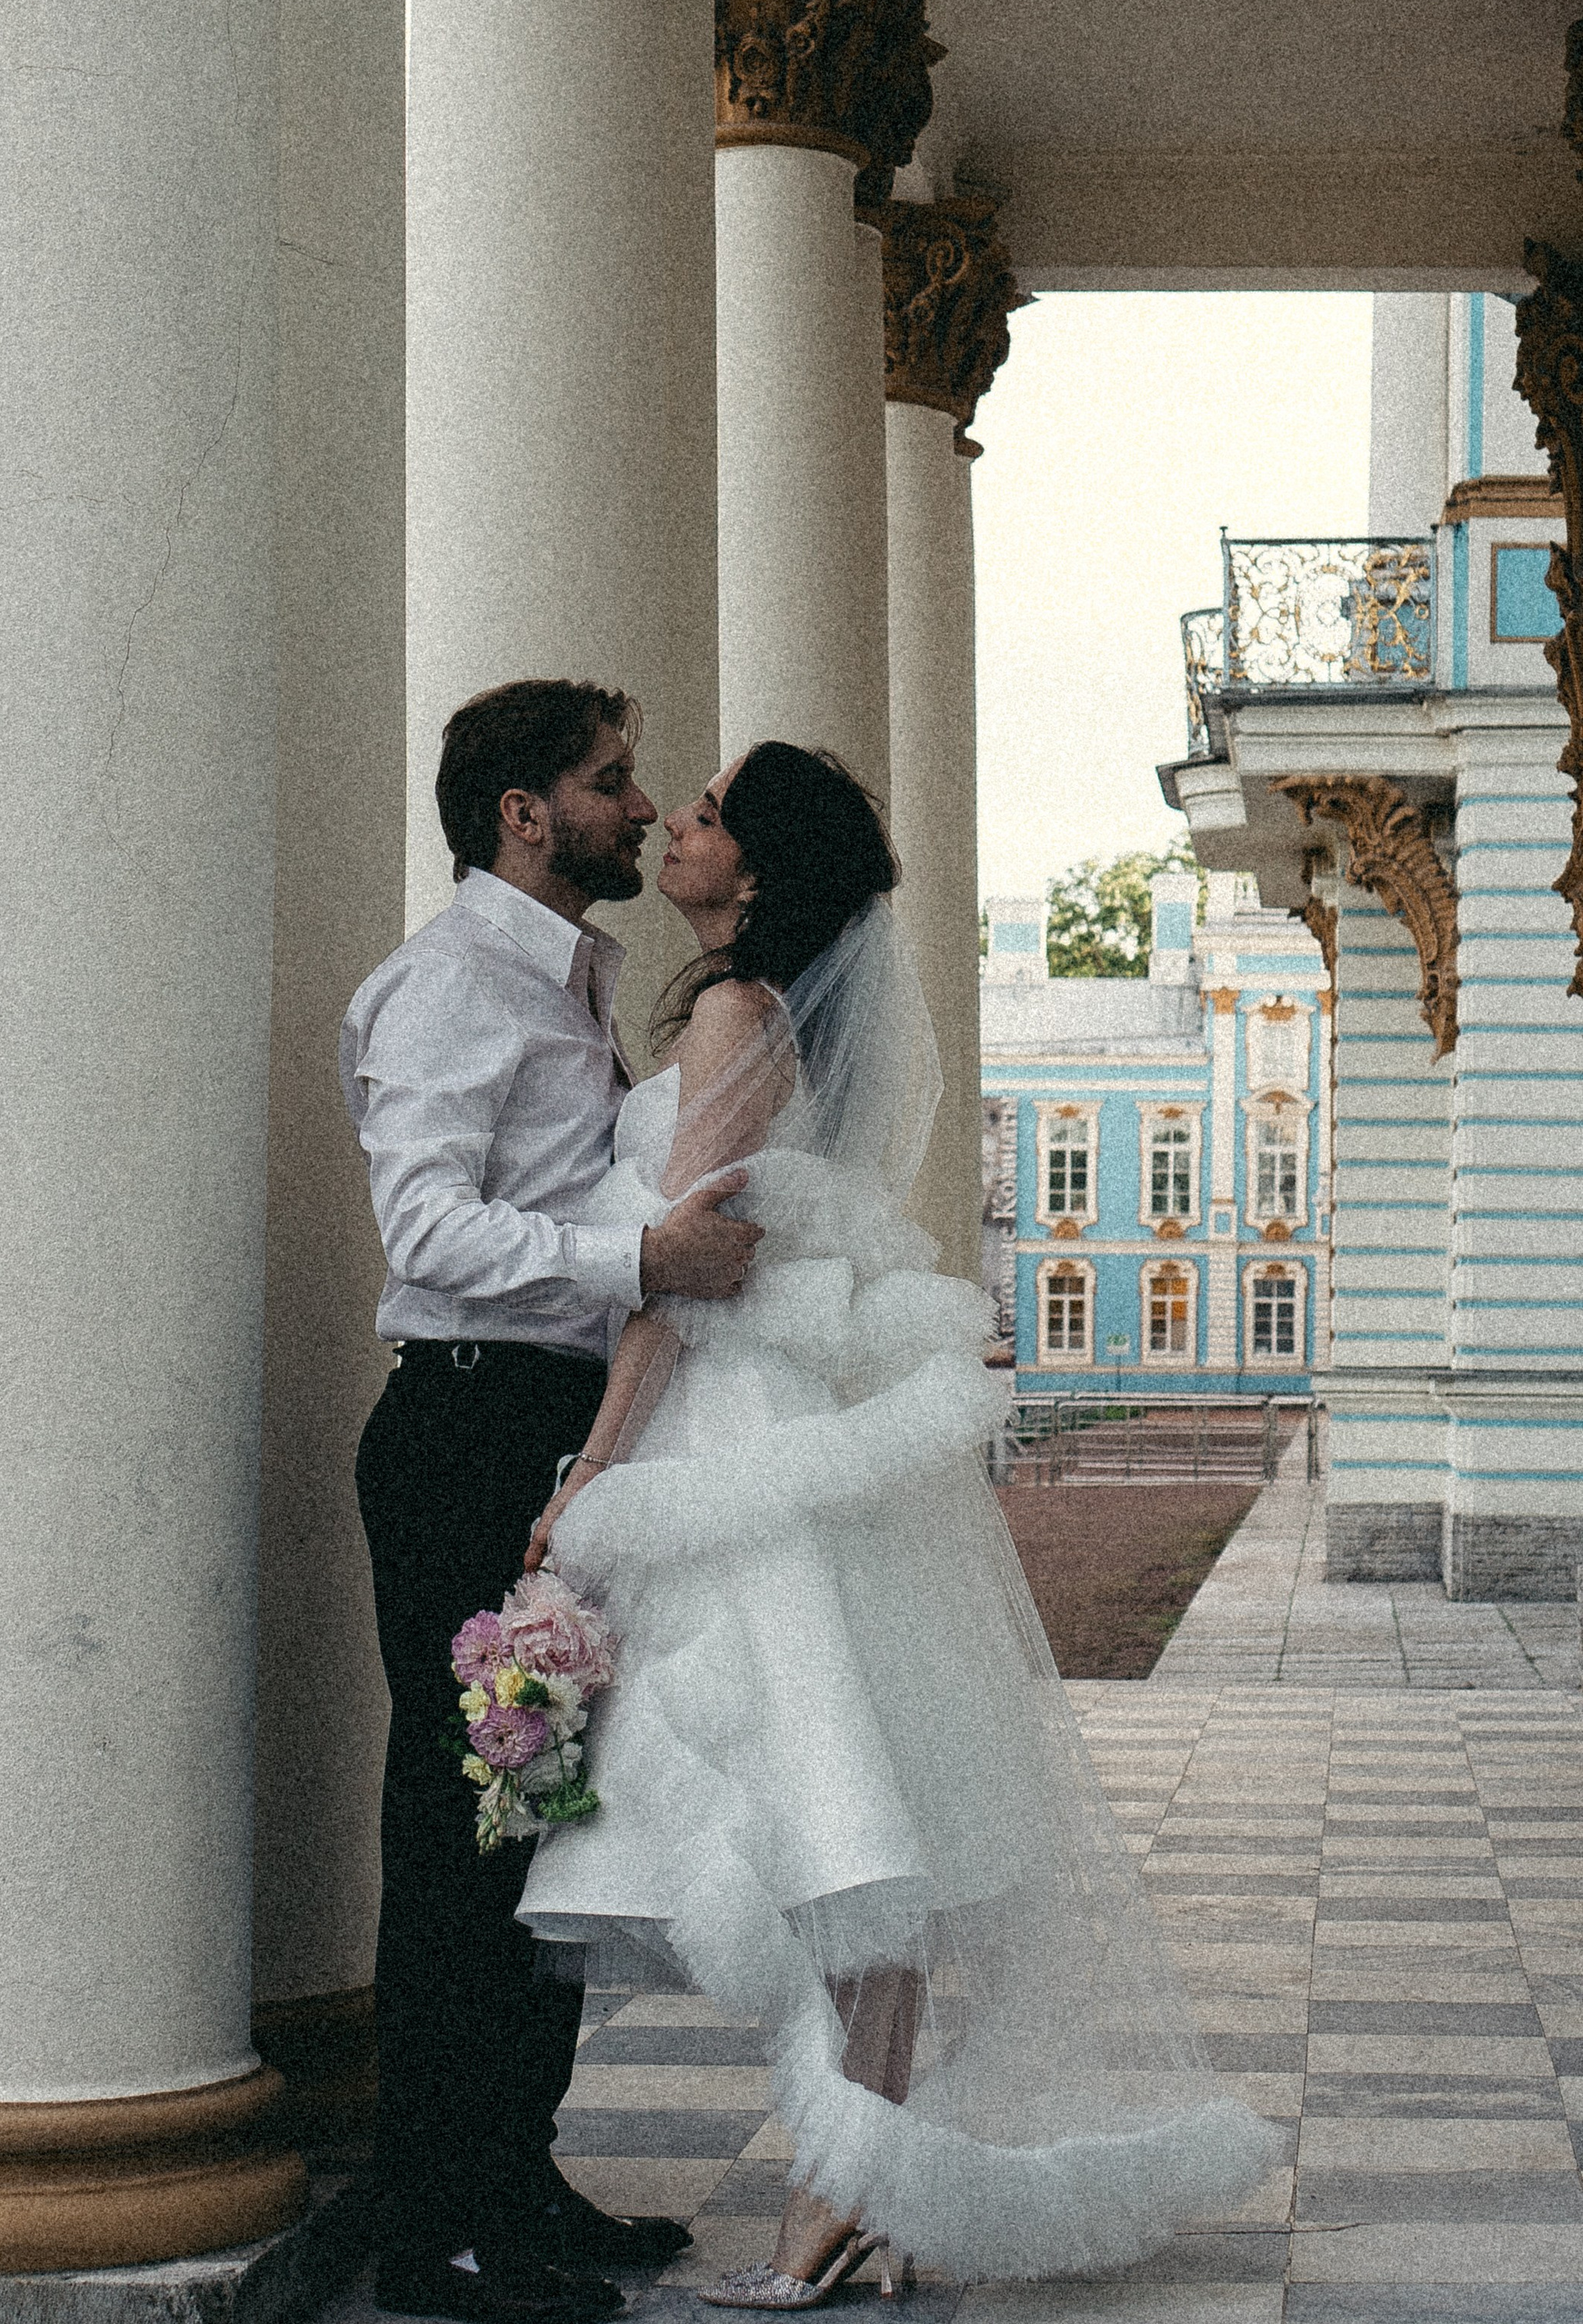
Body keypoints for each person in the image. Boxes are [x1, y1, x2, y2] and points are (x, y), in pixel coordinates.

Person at [519, 743, 1278, 2302]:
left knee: (839, 1829)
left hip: (728, 1435)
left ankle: (837, 2193)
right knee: (854, 1829)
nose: (676, 823)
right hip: (774, 1434)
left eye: (713, 817)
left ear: (761, 873)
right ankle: (850, 2187)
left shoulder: (739, 1013)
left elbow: (683, 1270)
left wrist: (594, 1473)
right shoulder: (763, 1013)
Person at [343, 680, 764, 2324]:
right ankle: (434, 2228)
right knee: (460, 1839)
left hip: (543, 1434)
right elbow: (426, 1235)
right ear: (522, 811)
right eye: (607, 782)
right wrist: (636, 1256)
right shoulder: (449, 987)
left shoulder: (561, 977)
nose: (639, 805)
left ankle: (511, 2181)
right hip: (462, 1433)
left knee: (533, 1828)